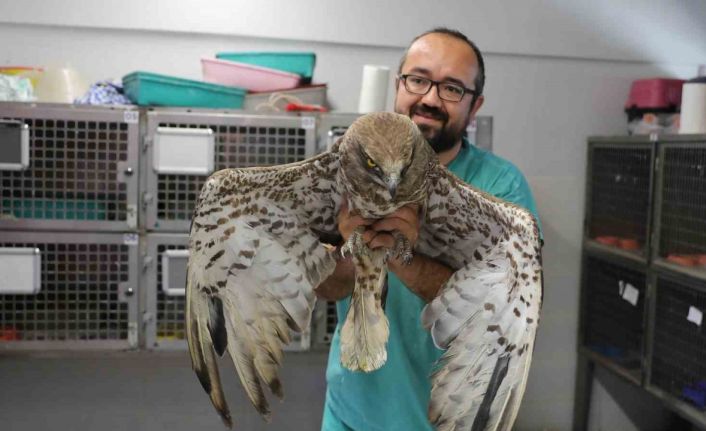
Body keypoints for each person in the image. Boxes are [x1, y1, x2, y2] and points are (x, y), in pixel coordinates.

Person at [316, 27, 540, 431]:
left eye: (452, 88)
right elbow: (326, 287)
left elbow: (503, 315)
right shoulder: (345, 167)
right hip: (351, 414)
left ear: (475, 105)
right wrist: (354, 247)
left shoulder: (501, 188)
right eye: (418, 80)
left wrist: (401, 253)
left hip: (446, 419)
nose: (431, 99)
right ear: (398, 86)